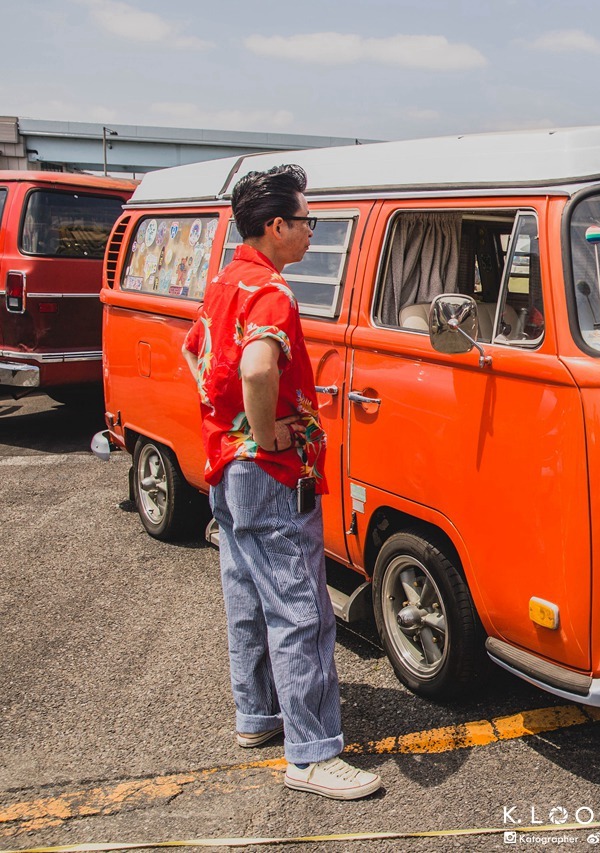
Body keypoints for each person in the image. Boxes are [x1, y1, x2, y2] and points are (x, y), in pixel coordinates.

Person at [181, 164, 383, 801]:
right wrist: (265, 431)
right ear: (276, 226)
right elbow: (260, 365)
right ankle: (313, 754)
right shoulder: (272, 293)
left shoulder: (225, 282)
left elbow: (193, 350)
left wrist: (228, 421)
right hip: (269, 471)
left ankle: (257, 716)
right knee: (302, 610)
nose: (309, 233)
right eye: (305, 222)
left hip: (226, 466)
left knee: (246, 594)